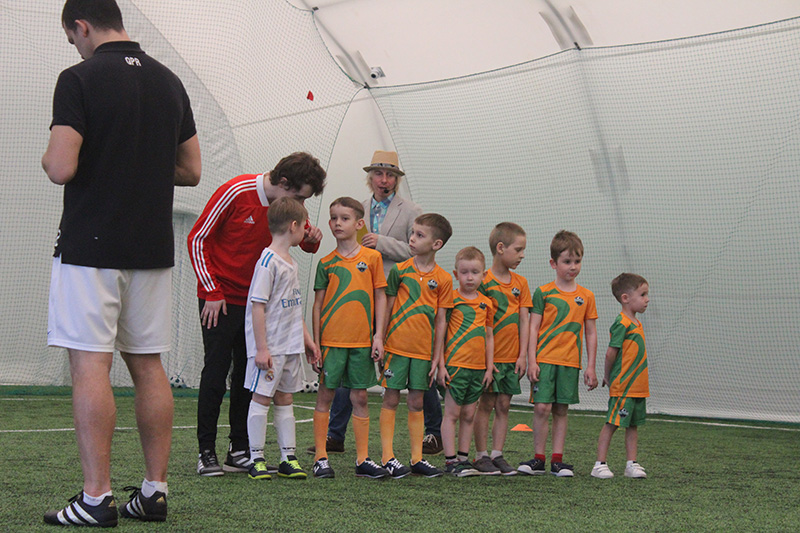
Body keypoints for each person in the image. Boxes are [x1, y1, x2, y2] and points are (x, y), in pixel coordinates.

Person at [42, 0, 201, 526]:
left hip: (91, 248)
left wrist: (80, 156)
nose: (75, 47)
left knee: (91, 364)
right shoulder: (169, 81)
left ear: (81, 26)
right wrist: (139, 161)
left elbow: (60, 167)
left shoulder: (78, 79)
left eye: (73, 38)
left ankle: (96, 499)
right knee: (148, 365)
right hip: (151, 249)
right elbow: (191, 170)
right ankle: (154, 492)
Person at [187, 152, 325, 476]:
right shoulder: (236, 192)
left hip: (260, 306)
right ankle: (206, 451)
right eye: (300, 197)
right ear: (283, 183)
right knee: (215, 372)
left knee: (248, 376)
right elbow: (197, 239)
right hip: (221, 300)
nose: (302, 207)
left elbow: (293, 239)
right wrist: (212, 291)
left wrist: (311, 240)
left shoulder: (287, 208)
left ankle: (239, 450)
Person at [311, 151, 444, 456]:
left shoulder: (412, 210)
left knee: (414, 363)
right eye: (378, 174)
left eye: (390, 175)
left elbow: (419, 250)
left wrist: (380, 243)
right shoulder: (358, 207)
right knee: (347, 363)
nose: (384, 180)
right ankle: (335, 434)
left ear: (397, 180)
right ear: (370, 178)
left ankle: (433, 433)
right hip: (360, 296)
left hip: (398, 298)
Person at [310, 197, 390, 479]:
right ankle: (320, 458)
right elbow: (317, 306)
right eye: (333, 218)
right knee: (325, 395)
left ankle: (363, 459)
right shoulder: (326, 263)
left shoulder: (373, 258)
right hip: (331, 343)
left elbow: (381, 297)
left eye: (344, 218)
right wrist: (316, 345)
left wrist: (378, 336)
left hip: (361, 343)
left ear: (359, 224)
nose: (337, 223)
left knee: (360, 397)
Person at [243, 198, 320, 481]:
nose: (306, 232)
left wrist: (307, 340)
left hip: (290, 346)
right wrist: (261, 349)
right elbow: (257, 306)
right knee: (261, 398)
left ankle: (288, 457)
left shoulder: (291, 262)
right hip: (271, 348)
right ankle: (256, 459)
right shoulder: (267, 262)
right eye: (305, 226)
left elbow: (293, 307)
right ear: (294, 226)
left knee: (286, 398)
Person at [378, 213, 454, 478]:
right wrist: (380, 339)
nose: (412, 238)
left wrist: (438, 357)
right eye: (412, 233)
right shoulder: (399, 270)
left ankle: (417, 459)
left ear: (436, 244)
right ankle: (387, 457)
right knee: (390, 398)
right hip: (396, 348)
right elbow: (387, 307)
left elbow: (442, 320)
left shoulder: (444, 279)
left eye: (419, 235)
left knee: (417, 401)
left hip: (423, 353)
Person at [519, 230, 598, 477]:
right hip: (544, 361)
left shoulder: (587, 296)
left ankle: (557, 460)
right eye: (567, 261)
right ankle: (538, 459)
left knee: (561, 410)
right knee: (542, 408)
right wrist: (532, 361)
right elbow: (533, 327)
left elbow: (591, 332)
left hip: (569, 363)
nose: (573, 267)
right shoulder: (543, 293)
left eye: (577, 261)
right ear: (553, 263)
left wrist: (590, 366)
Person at [473, 222, 532, 475]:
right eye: (518, 250)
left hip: (511, 358)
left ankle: (497, 454)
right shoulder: (483, 281)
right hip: (490, 359)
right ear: (500, 248)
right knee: (486, 403)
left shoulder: (521, 283)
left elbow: (524, 320)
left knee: (505, 405)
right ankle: (481, 455)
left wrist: (522, 355)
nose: (522, 255)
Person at [438, 247, 495, 477]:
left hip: (478, 369)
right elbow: (441, 333)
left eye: (475, 272)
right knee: (452, 414)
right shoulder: (451, 299)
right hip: (456, 367)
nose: (469, 277)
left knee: (469, 415)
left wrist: (489, 367)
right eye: (464, 272)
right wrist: (441, 365)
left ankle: (463, 458)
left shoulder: (487, 303)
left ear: (484, 275)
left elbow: (489, 336)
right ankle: (451, 461)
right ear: (455, 274)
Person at [591, 273, 651, 479]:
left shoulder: (637, 323)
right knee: (613, 423)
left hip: (638, 388)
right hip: (623, 386)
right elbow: (611, 353)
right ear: (625, 298)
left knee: (633, 425)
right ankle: (599, 464)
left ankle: (631, 464)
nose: (647, 299)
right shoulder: (621, 323)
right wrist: (607, 376)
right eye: (642, 294)